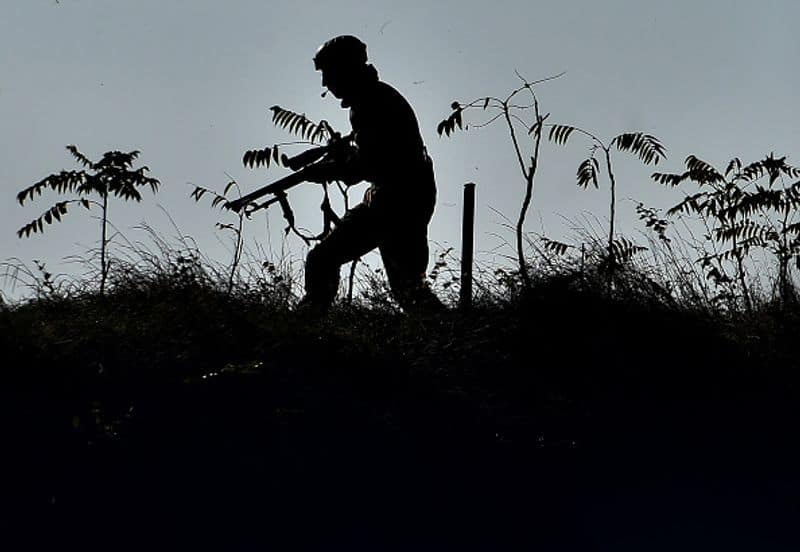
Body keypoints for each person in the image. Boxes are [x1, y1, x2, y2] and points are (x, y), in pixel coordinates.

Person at [298, 35, 444, 315]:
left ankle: (304, 328)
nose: (325, 84)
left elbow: (369, 164)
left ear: (345, 68)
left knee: (406, 287)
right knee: (408, 288)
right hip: (394, 196)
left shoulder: (373, 102)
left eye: (328, 73)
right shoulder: (371, 100)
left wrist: (332, 169)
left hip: (399, 199)